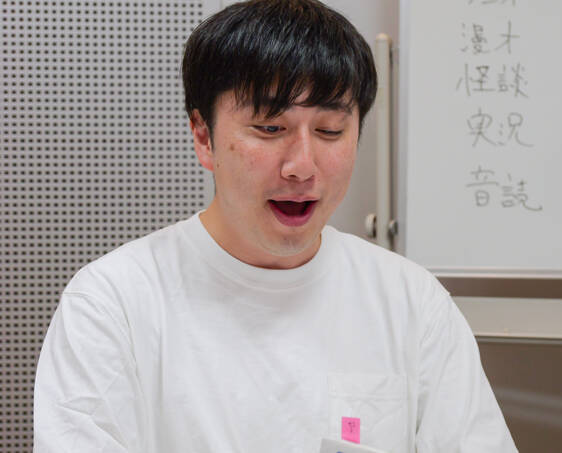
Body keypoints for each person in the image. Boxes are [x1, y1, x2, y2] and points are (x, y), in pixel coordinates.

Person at [33, 1, 517, 452]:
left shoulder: (411, 303)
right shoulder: (112, 303)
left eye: (329, 131)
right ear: (203, 136)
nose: (302, 166)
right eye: (270, 128)